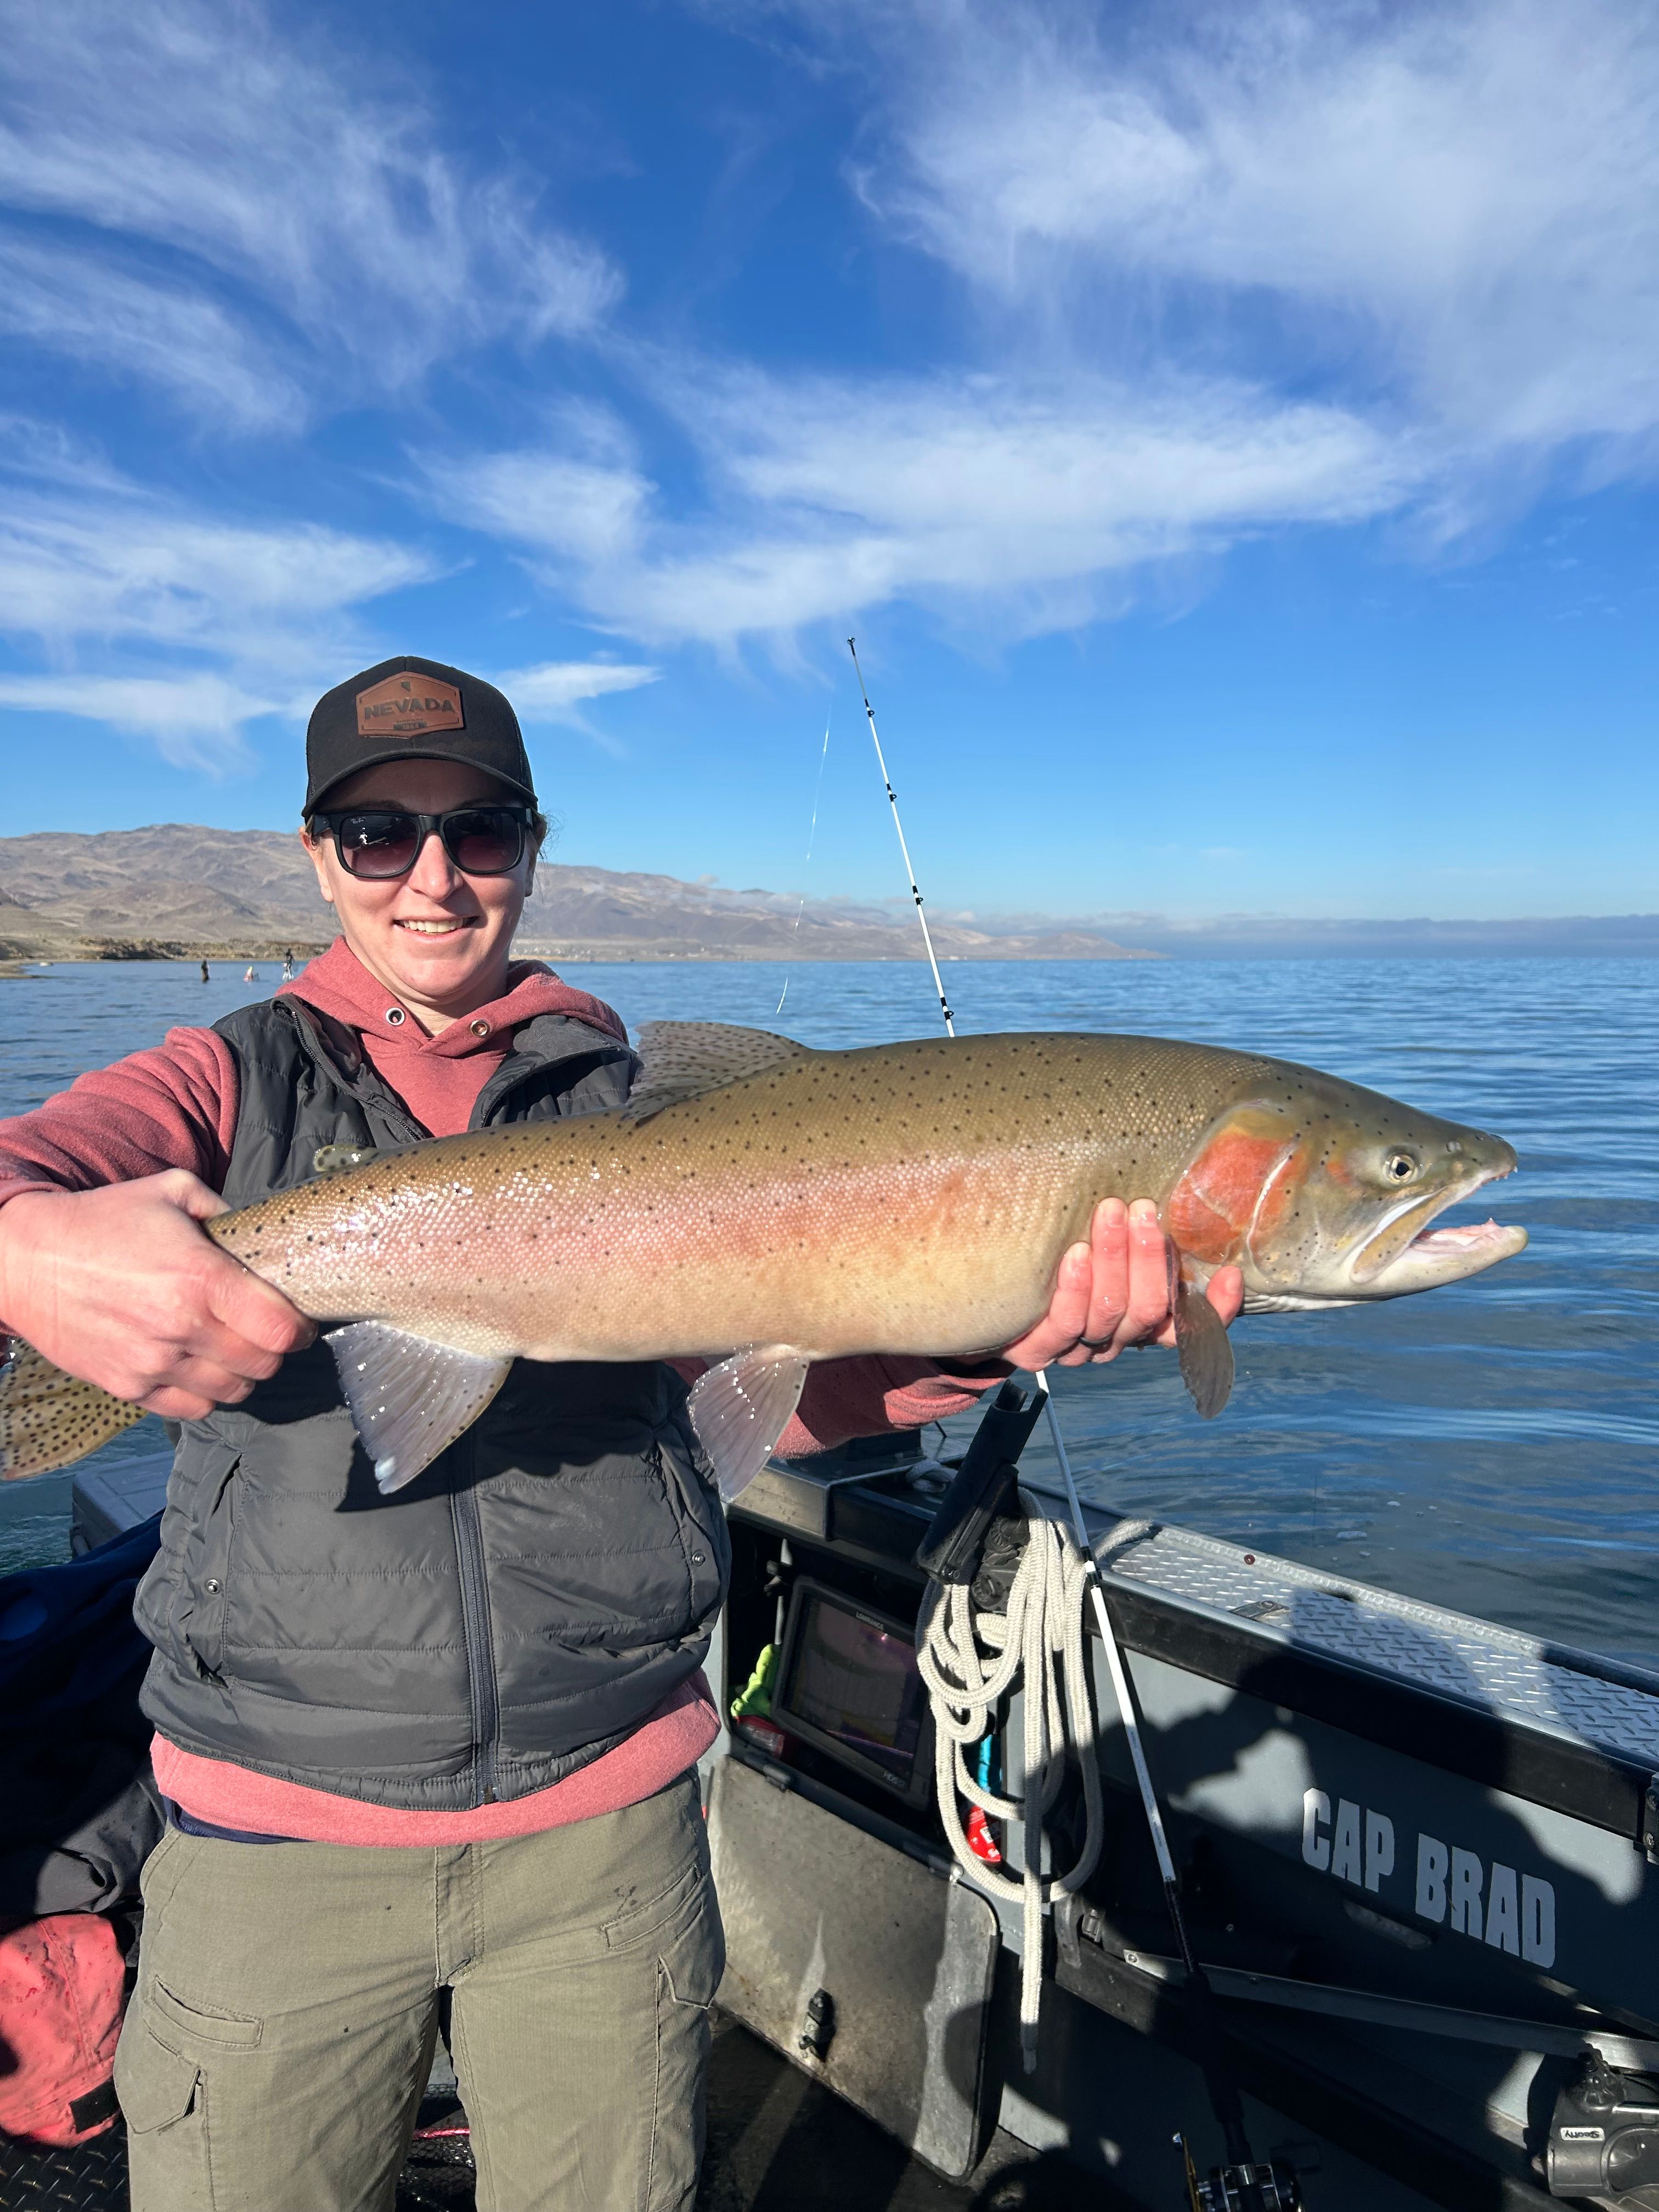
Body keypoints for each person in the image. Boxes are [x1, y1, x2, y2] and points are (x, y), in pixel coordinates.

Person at [0, 656, 1242, 2211]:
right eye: (380, 835)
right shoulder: (225, 1075)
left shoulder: (639, 1099)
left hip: (610, 1834)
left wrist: (973, 1340)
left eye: (483, 830)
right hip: (274, 1841)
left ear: (533, 847)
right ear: (318, 854)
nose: (434, 877)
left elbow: (778, 1402)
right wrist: (30, 1249)